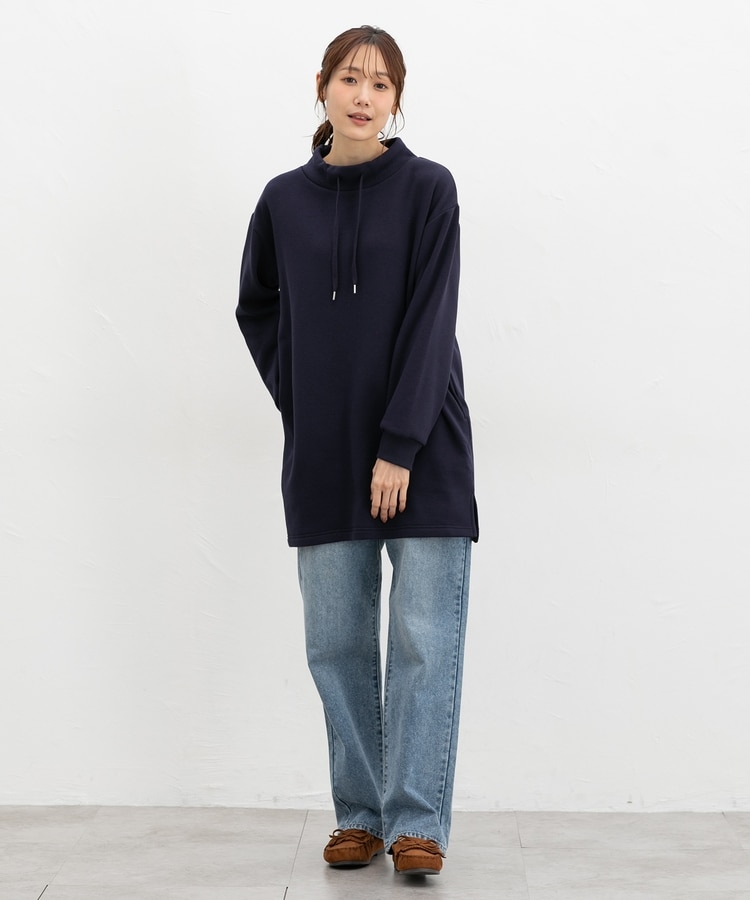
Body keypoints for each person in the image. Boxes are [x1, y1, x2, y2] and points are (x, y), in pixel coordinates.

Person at [236, 25, 478, 877]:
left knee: (422, 641)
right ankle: (360, 815)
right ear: (323, 86)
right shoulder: (282, 200)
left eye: (381, 83)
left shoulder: (429, 189)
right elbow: (256, 306)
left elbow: (433, 318)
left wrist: (399, 445)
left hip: (425, 444)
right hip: (324, 450)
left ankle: (416, 823)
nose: (364, 96)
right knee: (336, 643)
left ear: (397, 98)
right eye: (350, 78)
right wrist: (302, 397)